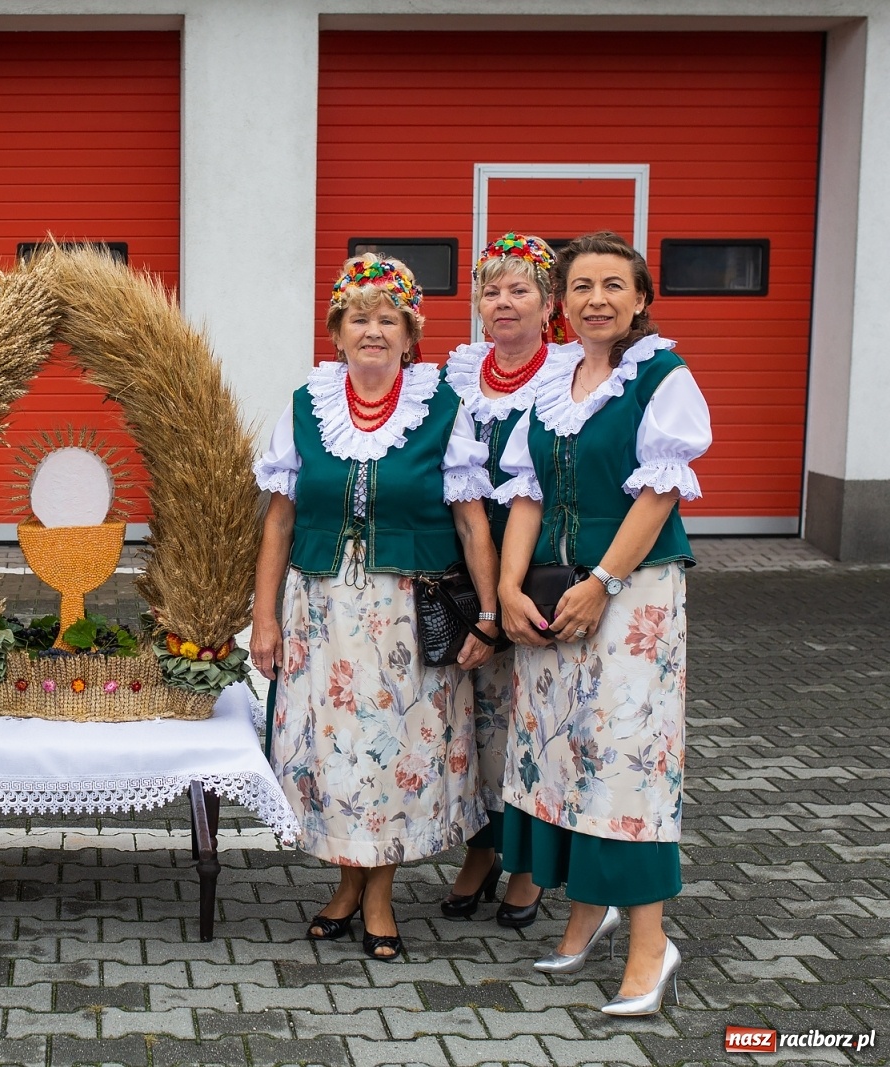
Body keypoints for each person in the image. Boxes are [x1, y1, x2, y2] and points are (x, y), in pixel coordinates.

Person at [250, 254, 501, 961]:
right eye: (358, 318)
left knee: (390, 756)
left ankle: (379, 894)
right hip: (323, 611)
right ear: (337, 332)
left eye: (387, 319)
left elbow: (472, 522)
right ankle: (348, 885)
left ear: (409, 333)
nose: (372, 331)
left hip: (405, 614)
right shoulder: (307, 404)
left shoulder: (440, 407)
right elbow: (277, 520)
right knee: (337, 754)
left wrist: (487, 615)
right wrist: (264, 615)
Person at [494, 231, 712, 1015]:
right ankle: (589, 909)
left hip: (632, 594)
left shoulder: (663, 376)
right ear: (563, 301)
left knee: (626, 762)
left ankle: (652, 943)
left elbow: (659, 494)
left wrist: (603, 581)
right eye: (581, 285)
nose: (596, 299)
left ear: (641, 298)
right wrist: (508, 589)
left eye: (613, 285)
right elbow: (526, 493)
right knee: (561, 751)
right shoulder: (554, 381)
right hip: (553, 592)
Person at [438, 233, 574, 928]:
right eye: (491, 290)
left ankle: (529, 862)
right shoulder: (458, 376)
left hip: (546, 576)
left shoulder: (572, 375)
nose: (503, 301)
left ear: (550, 303)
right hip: (470, 578)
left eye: (520, 289)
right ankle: (484, 849)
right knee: (478, 723)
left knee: (536, 722)